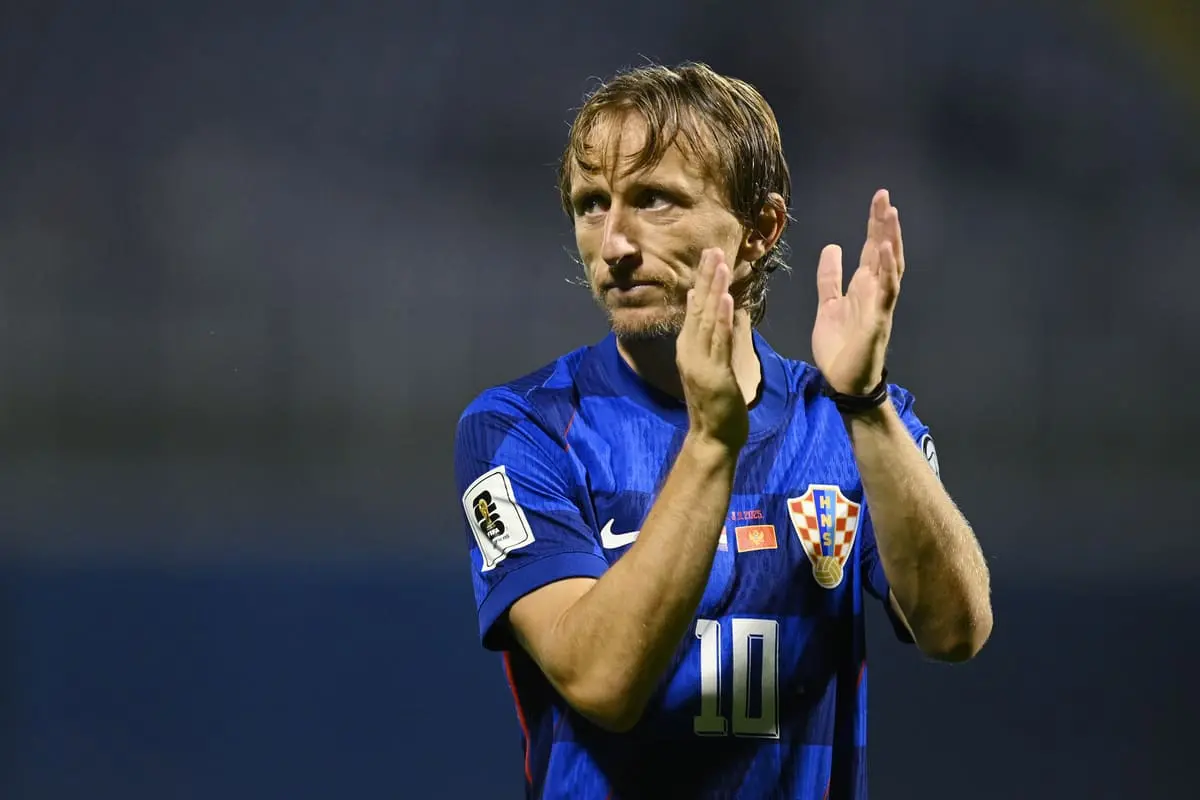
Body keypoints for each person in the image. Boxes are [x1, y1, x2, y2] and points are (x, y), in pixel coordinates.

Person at [453, 61, 992, 799]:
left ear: (759, 229)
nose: (613, 245)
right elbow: (602, 678)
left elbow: (955, 630)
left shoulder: (846, 426)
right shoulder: (523, 430)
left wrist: (866, 404)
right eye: (590, 205)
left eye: (654, 200)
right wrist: (712, 441)